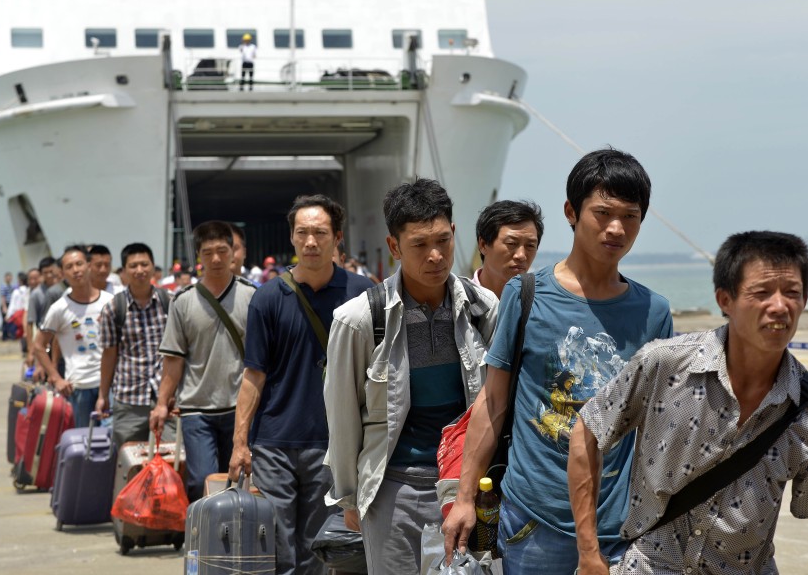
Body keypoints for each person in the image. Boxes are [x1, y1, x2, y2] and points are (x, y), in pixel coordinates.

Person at [569, 231, 808, 575]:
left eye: (792, 293)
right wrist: (589, 552)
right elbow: (589, 429)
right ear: (725, 300)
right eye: (761, 293)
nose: (779, 305)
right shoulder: (664, 364)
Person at [442, 148, 673, 574]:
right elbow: (492, 403)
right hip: (532, 519)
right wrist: (464, 497)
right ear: (571, 211)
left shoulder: (653, 312)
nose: (617, 228)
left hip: (618, 529)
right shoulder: (526, 294)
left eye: (631, 216)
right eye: (603, 213)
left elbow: (659, 427)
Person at [324, 178, 500, 573]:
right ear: (394, 247)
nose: (435, 255)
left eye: (442, 240)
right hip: (392, 489)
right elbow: (342, 418)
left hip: (465, 487)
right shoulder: (359, 320)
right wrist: (350, 499)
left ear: (454, 234)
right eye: (420, 245)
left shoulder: (483, 309)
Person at [228, 195, 373, 575]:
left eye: (320, 233)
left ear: (337, 238)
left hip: (333, 443)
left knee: (317, 546)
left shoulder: (362, 293)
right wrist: (240, 443)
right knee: (276, 544)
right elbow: (253, 376)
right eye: (302, 233)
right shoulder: (267, 298)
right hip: (274, 441)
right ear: (292, 238)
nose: (311, 241)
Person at [151, 222, 256, 501]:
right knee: (202, 481)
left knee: (240, 479)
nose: (217, 259)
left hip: (240, 408)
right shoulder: (182, 301)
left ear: (233, 252)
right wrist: (162, 403)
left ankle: (236, 541)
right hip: (197, 410)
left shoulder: (252, 297)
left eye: (223, 250)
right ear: (198, 255)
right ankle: (202, 540)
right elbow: (173, 359)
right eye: (208, 252)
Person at [97, 243, 173, 450]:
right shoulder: (114, 308)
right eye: (133, 266)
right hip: (129, 399)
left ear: (153, 267)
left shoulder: (170, 302)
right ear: (123, 272)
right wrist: (103, 395)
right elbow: (109, 354)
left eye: (144, 264)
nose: (139, 270)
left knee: (171, 461)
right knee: (129, 463)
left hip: (166, 399)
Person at [32, 245, 113, 428]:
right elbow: (38, 345)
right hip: (78, 388)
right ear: (62, 273)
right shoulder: (59, 309)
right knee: (84, 442)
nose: (76, 270)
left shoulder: (109, 301)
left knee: (111, 441)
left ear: (89, 265)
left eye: (79, 264)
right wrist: (55, 377)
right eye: (69, 267)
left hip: (110, 385)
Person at [472, 199, 544, 298]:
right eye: (511, 243)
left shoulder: (541, 306)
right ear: (483, 245)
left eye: (530, 245)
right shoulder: (456, 303)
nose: (521, 255)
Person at [26, 256, 65, 380]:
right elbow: (30, 322)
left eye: (51, 272)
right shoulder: (37, 294)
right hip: (46, 340)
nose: (49, 275)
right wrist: (31, 351)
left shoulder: (63, 289)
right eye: (45, 273)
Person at [0, 271, 15, 339]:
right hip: (6, 304)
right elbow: (3, 297)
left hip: (11, 305)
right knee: (5, 321)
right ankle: (4, 335)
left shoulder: (12, 286)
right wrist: (4, 307)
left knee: (11, 320)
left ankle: (10, 334)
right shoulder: (3, 286)